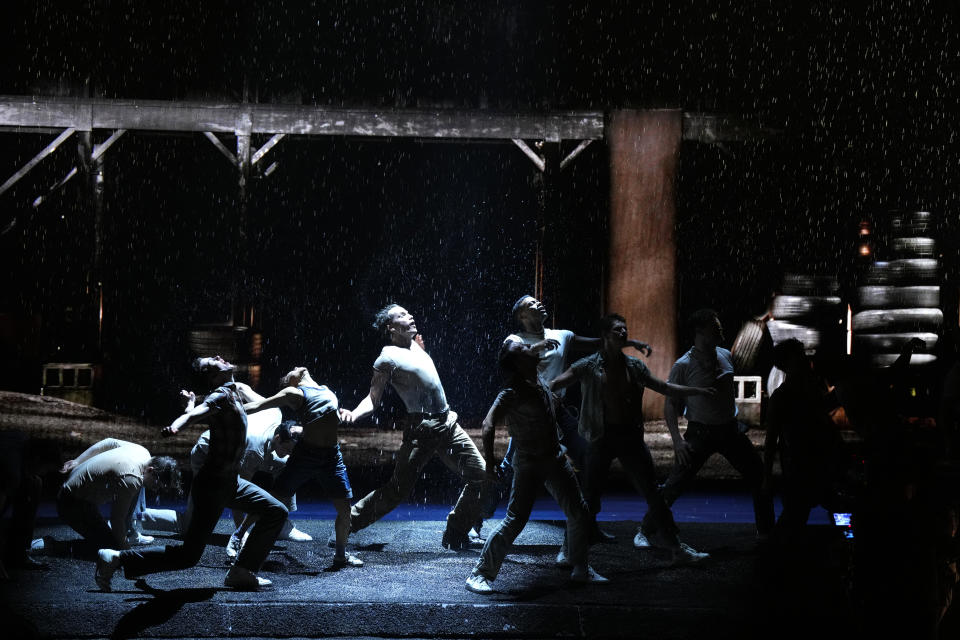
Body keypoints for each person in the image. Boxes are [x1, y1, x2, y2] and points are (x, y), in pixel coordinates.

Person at [94, 355, 288, 591]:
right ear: (214, 376)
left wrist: (190, 403)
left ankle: (241, 570)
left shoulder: (233, 392)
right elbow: (196, 415)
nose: (219, 357)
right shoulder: (222, 395)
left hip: (230, 482)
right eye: (212, 362)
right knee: (188, 556)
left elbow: (199, 409)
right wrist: (178, 424)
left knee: (276, 511)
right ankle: (116, 558)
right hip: (214, 485)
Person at [552, 313, 713, 562]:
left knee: (653, 494)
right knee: (588, 497)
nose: (624, 333)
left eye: (625, 329)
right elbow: (555, 383)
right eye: (618, 330)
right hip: (599, 438)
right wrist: (537, 395)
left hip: (629, 438)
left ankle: (676, 548)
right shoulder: (588, 365)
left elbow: (665, 387)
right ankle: (569, 548)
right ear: (606, 335)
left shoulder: (634, 367)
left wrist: (696, 391)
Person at [341, 304, 486, 549]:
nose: (410, 316)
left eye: (409, 312)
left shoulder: (416, 346)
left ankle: (456, 530)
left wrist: (420, 348)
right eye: (402, 315)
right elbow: (373, 398)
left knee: (481, 475)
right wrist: (354, 414)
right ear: (391, 327)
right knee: (397, 490)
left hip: (448, 422)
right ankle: (346, 524)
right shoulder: (386, 357)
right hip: (423, 430)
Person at [466, 341, 606, 594]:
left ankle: (581, 568)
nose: (531, 347)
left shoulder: (537, 377)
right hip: (529, 463)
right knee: (515, 520)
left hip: (554, 459)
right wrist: (490, 462)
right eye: (524, 348)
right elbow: (488, 424)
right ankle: (479, 574)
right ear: (519, 362)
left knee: (578, 511)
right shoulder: (512, 391)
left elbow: (548, 403)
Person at [638, 309, 775, 544]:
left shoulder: (725, 355)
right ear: (700, 331)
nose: (720, 329)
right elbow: (670, 405)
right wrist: (678, 441)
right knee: (675, 484)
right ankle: (645, 530)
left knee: (759, 476)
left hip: (729, 431)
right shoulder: (683, 365)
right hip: (700, 433)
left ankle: (767, 533)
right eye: (715, 326)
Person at [242, 366, 362, 568]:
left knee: (345, 510)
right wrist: (212, 410)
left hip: (332, 454)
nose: (296, 368)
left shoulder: (325, 389)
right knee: (274, 499)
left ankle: (341, 555)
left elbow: (326, 415)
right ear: (291, 381)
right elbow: (257, 406)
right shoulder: (293, 393)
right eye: (290, 372)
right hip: (307, 454)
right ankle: (239, 536)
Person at [763, 339, 842, 543]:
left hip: (812, 465)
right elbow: (771, 440)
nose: (805, 360)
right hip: (802, 467)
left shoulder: (805, 391)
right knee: (797, 518)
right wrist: (767, 476)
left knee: (799, 517)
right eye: (799, 355)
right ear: (789, 363)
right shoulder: (784, 397)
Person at [56, 438, 178, 550]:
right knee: (110, 547)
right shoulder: (132, 477)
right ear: (151, 470)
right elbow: (116, 520)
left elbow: (108, 442)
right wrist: (125, 552)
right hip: (71, 503)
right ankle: (52, 546)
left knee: (141, 482)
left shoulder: (142, 452)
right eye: (157, 485)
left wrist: (78, 461)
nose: (155, 490)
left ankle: (127, 531)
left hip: (75, 492)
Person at [0, 433, 60, 577]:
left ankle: (18, 553)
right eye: (45, 469)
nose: (45, 474)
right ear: (37, 460)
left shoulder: (23, 446)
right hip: (7, 474)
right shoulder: (11, 469)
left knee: (34, 482)